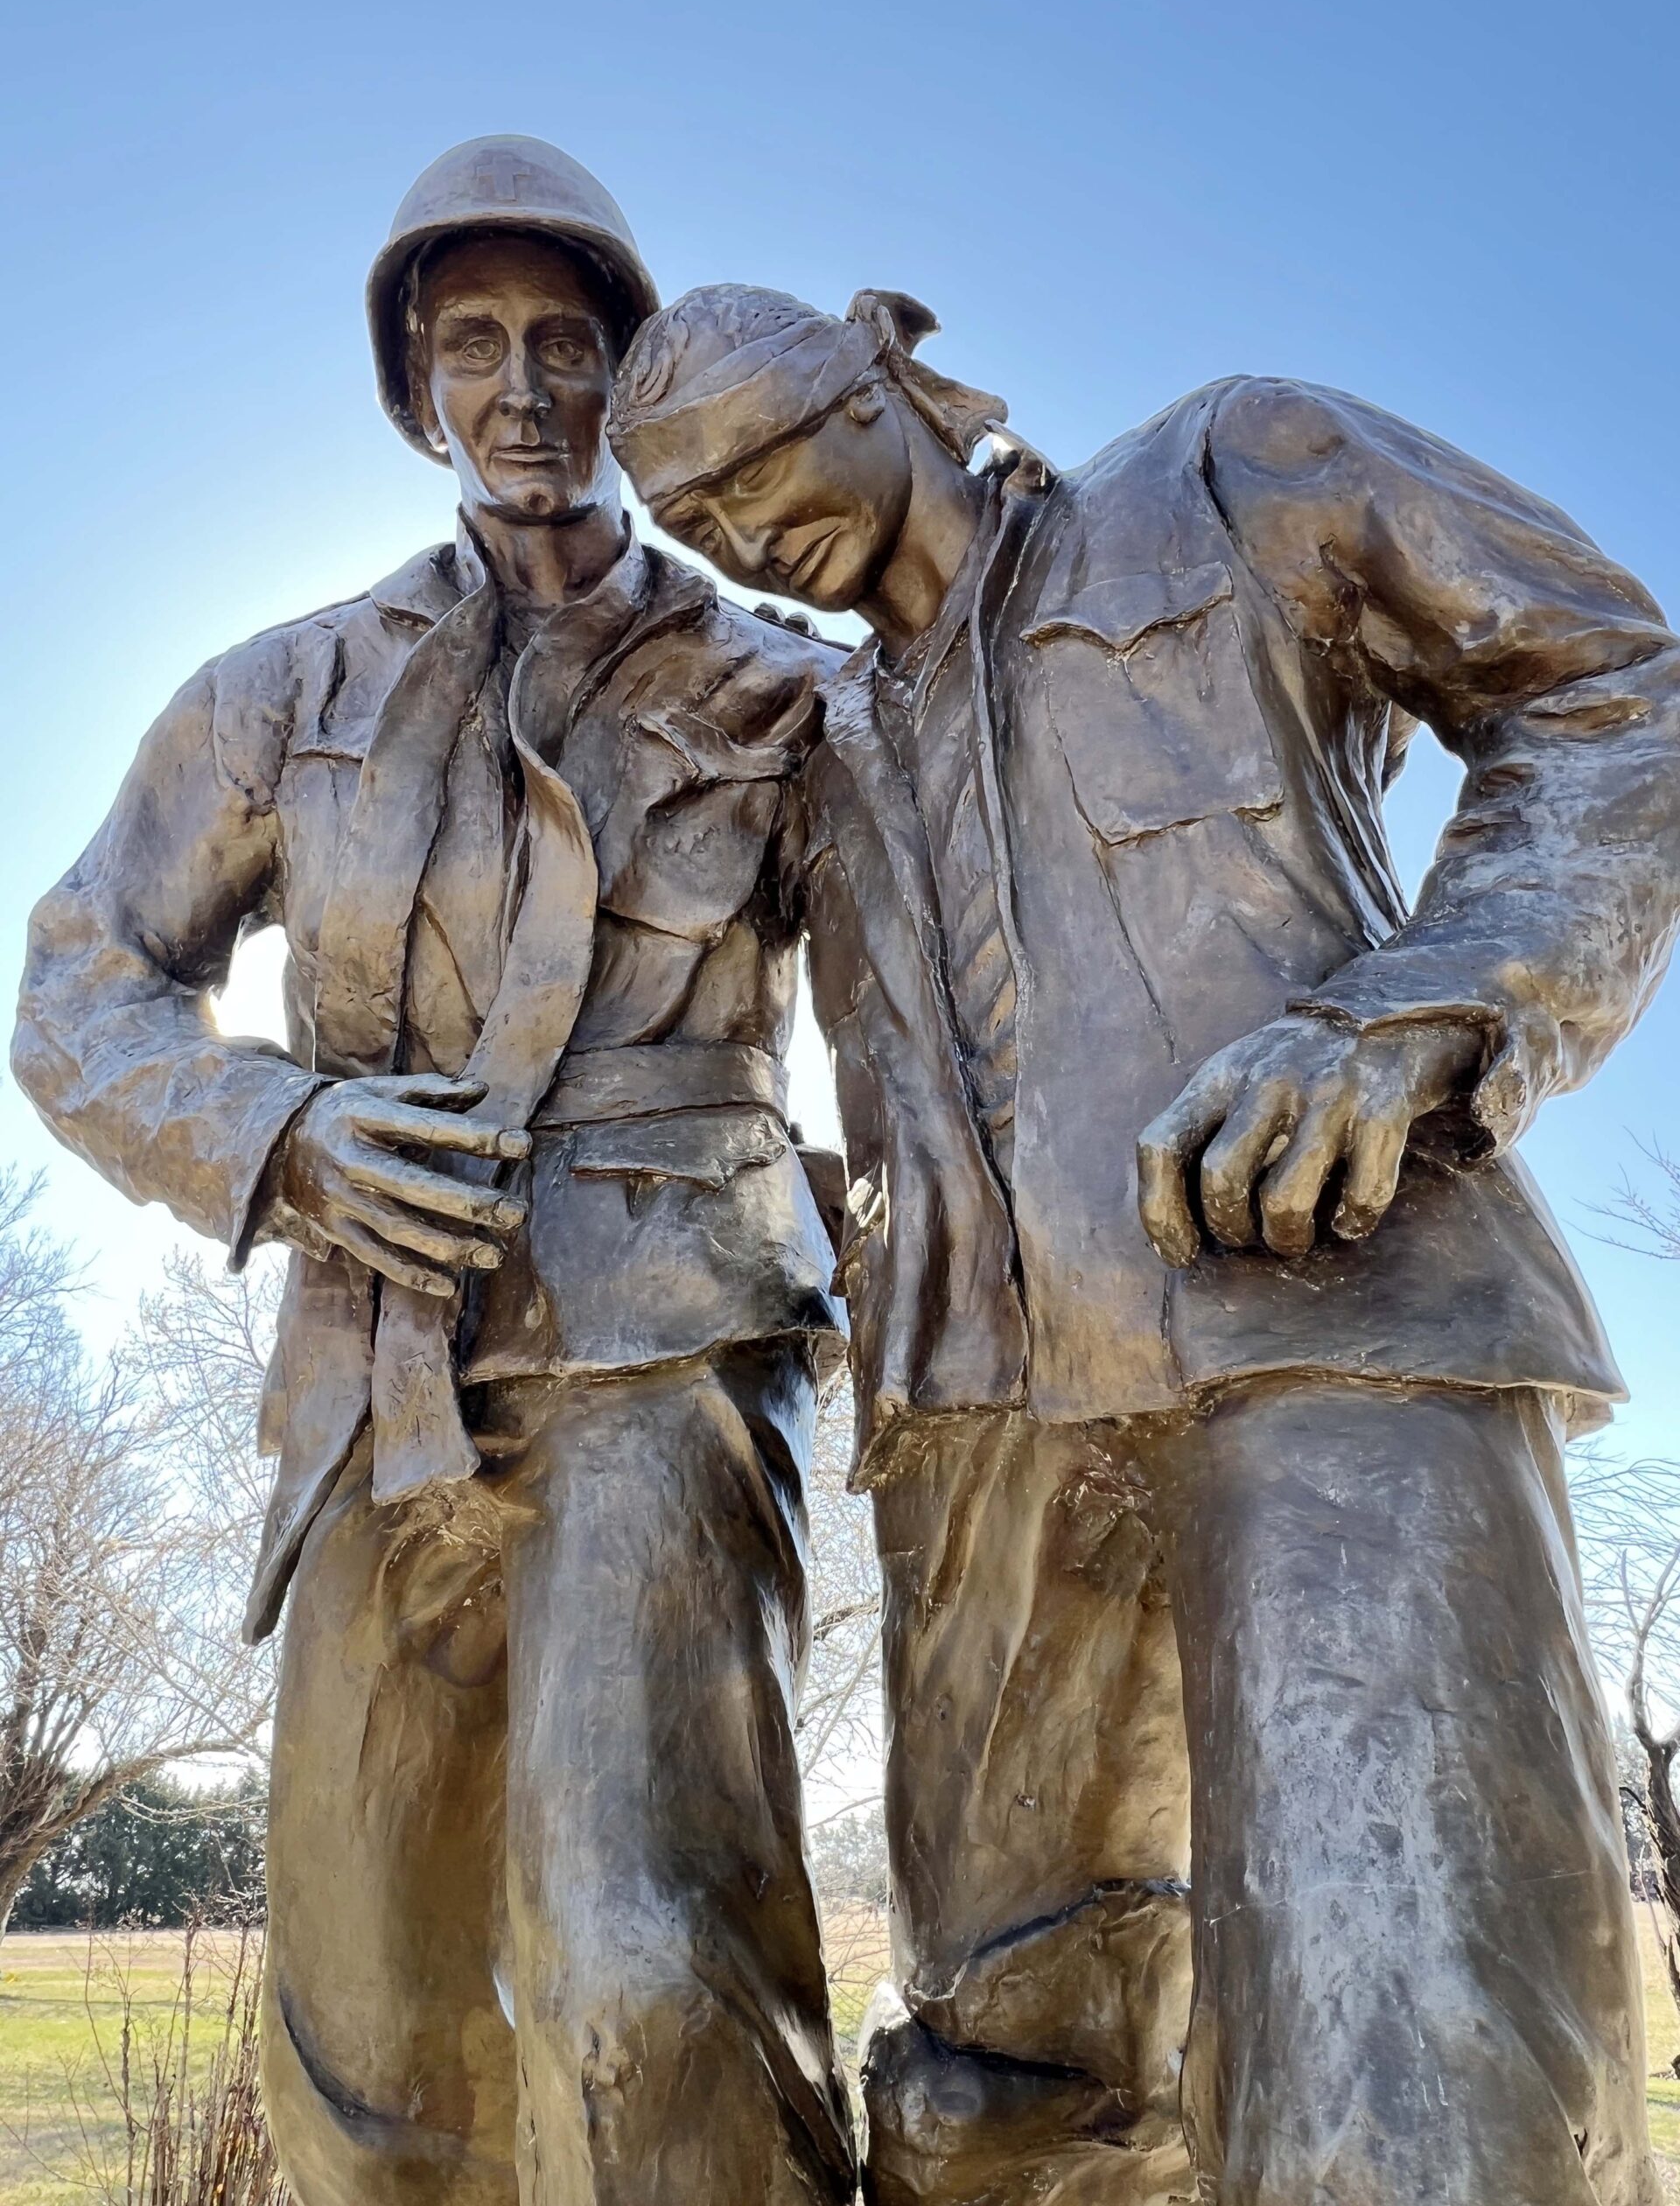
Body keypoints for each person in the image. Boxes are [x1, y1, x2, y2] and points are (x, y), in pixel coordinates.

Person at [610, 282, 1680, 2206]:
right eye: (701, 521)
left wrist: (1415, 1012)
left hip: (1328, 1317)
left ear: (887, 365)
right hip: (983, 1441)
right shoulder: (809, 735)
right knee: (992, 2095)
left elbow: (1609, 691)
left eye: (770, 455)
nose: (751, 529)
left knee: (1404, 2058)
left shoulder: (1227, 469)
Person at [12, 146, 857, 2206]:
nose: (524, 388)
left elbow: (948, 1021)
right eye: (472, 343)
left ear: (634, 376)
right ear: (414, 388)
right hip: (375, 1380)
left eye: (570, 343)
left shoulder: (787, 688)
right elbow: (78, 983)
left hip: (674, 1346)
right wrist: (274, 1133)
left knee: (644, 1967)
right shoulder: (279, 691)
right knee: (366, 2031)